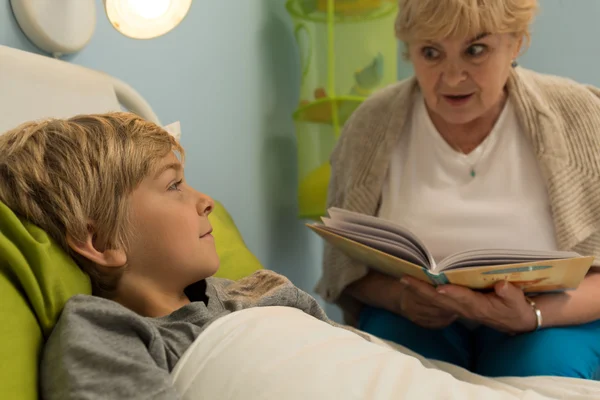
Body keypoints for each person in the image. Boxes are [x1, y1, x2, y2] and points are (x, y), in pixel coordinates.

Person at [316, 0, 600, 379]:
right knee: (396, 374)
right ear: (409, 50)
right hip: (413, 318)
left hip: (550, 317)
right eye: (431, 52)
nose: (452, 77)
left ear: (516, 43)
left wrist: (531, 315)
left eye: (475, 50)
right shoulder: (369, 127)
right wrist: (401, 299)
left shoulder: (582, 116)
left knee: (543, 372)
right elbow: (346, 272)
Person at [0, 113, 372, 399]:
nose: (206, 201)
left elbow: (364, 367)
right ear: (101, 243)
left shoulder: (265, 290)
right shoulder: (106, 332)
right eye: (173, 185)